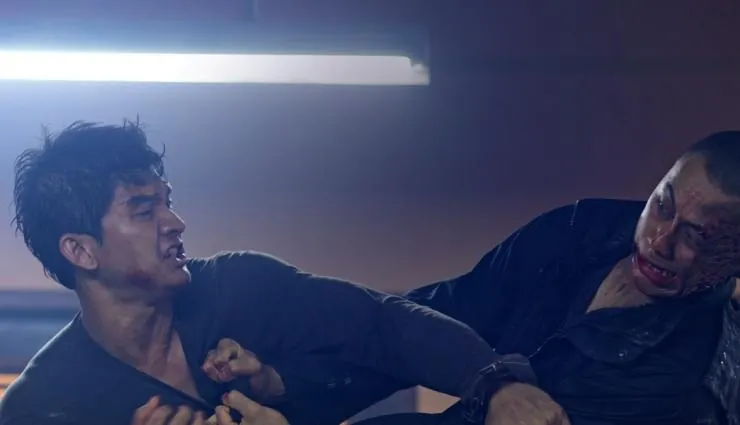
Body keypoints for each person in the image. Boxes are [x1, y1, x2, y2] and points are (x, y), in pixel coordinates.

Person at [0, 120, 559, 425]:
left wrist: (497, 384)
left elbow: (383, 325)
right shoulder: (42, 410)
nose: (175, 222)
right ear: (81, 252)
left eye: (168, 201)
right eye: (144, 210)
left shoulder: (240, 286)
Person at [394, 131, 740, 424]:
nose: (660, 241)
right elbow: (445, 313)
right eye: (662, 206)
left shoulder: (694, 374)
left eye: (697, 236)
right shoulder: (579, 228)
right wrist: (492, 383)